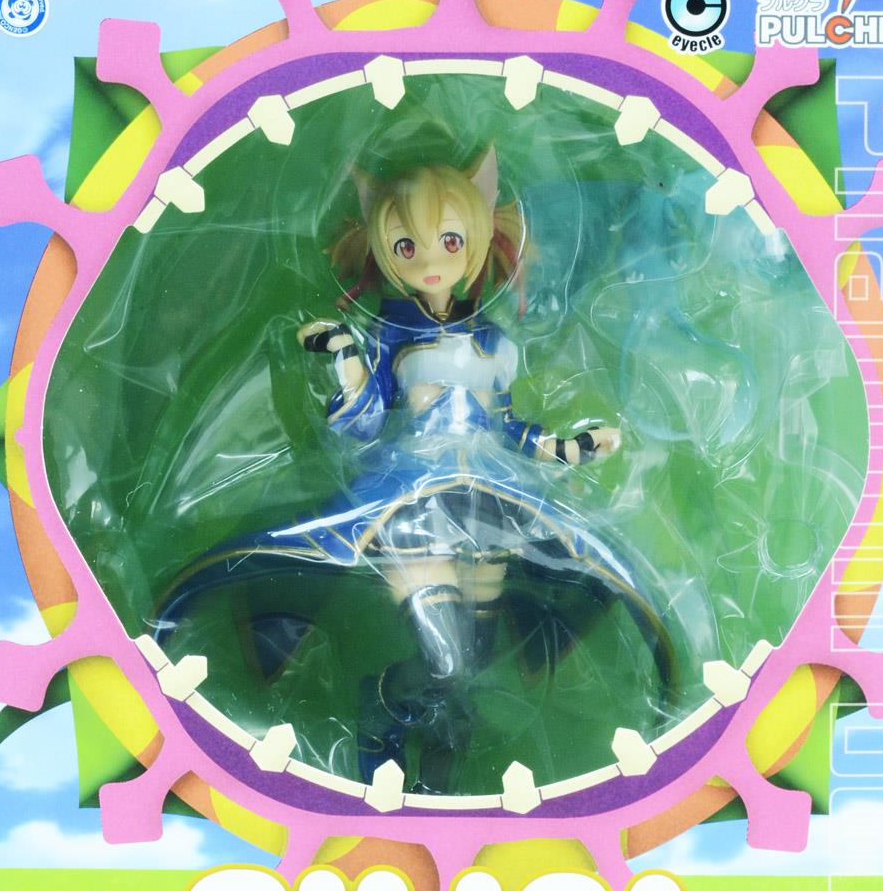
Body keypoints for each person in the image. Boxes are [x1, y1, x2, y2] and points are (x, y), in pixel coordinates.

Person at [157, 151, 672, 794]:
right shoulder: (388, 334)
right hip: (412, 499)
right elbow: (363, 423)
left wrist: (573, 448)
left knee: (472, 667)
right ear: (383, 250)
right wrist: (345, 355)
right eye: (406, 246)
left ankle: (440, 773)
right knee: (448, 661)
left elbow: (509, 427)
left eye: (450, 241)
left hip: (491, 499)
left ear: (478, 238)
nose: (430, 261)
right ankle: (381, 716)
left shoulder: (494, 340)